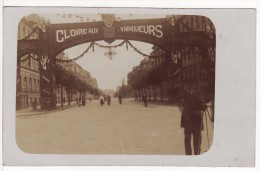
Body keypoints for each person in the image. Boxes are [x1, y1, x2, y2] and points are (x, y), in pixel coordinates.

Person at [180, 89, 206, 155]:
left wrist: (202, 108)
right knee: (187, 140)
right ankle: (189, 157)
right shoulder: (183, 93)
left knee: (197, 142)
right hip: (187, 120)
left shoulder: (200, 93)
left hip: (197, 121)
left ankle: (197, 156)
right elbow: (181, 104)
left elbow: (203, 104)